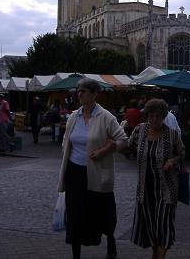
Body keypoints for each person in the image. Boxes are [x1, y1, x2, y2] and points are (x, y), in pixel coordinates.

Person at [57, 78, 127, 259]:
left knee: (102, 211)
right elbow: (66, 140)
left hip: (96, 173)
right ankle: (76, 253)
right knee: (75, 214)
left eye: (84, 91)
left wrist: (105, 149)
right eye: (78, 91)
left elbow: (122, 140)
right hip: (74, 172)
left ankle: (110, 239)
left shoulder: (105, 117)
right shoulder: (74, 116)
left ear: (94, 94)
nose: (79, 94)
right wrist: (68, 154)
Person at [128, 98, 185, 259]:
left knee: (164, 227)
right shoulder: (140, 131)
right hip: (145, 190)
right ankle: (155, 255)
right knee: (151, 227)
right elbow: (128, 147)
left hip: (166, 189)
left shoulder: (171, 134)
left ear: (163, 116)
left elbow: (182, 153)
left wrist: (172, 160)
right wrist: (112, 145)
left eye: (158, 116)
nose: (154, 120)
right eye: (151, 116)